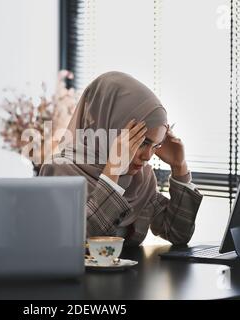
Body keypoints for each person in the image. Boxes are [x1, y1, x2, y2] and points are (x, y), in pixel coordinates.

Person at [39, 71, 202, 246]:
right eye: (141, 142)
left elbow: (177, 234)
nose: (147, 156)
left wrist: (179, 167)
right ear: (110, 127)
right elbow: (76, 242)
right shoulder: (59, 170)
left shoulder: (141, 178)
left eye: (156, 146)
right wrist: (113, 172)